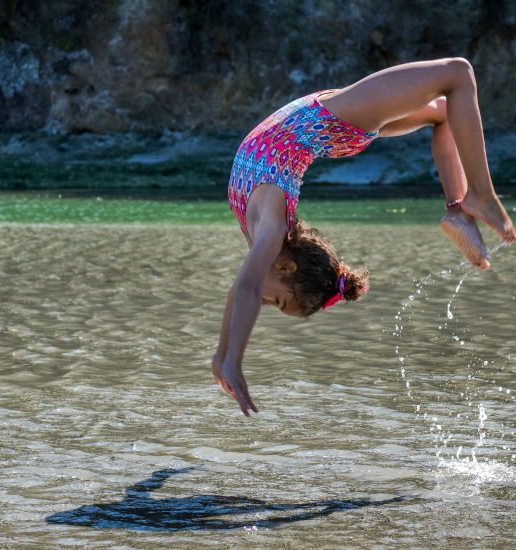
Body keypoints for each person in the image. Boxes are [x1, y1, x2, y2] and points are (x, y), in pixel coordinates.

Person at [212, 58, 516, 417]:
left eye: (275, 304)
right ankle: (469, 201)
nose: (262, 303)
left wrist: (223, 356)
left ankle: (466, 204)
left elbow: (241, 290)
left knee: (450, 96)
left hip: (327, 124)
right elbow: (246, 290)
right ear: (287, 266)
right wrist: (231, 358)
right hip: (332, 122)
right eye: (276, 302)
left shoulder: (266, 233)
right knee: (457, 78)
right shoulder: (272, 229)